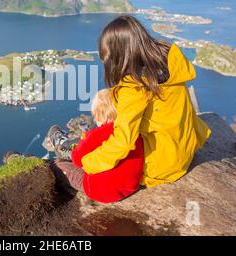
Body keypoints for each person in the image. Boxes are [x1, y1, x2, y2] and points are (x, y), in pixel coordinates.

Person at [82, 15, 211, 188]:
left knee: (94, 179)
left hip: (160, 166)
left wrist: (89, 163)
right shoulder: (167, 60)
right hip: (185, 148)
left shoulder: (134, 88)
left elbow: (123, 142)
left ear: (119, 56)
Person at [48, 89, 145, 203]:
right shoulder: (133, 133)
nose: (94, 119)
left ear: (99, 117)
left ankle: (62, 145)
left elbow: (77, 159)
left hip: (100, 191)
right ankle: (63, 143)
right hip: (130, 187)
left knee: (58, 164)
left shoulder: (97, 134)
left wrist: (84, 143)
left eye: (95, 116)